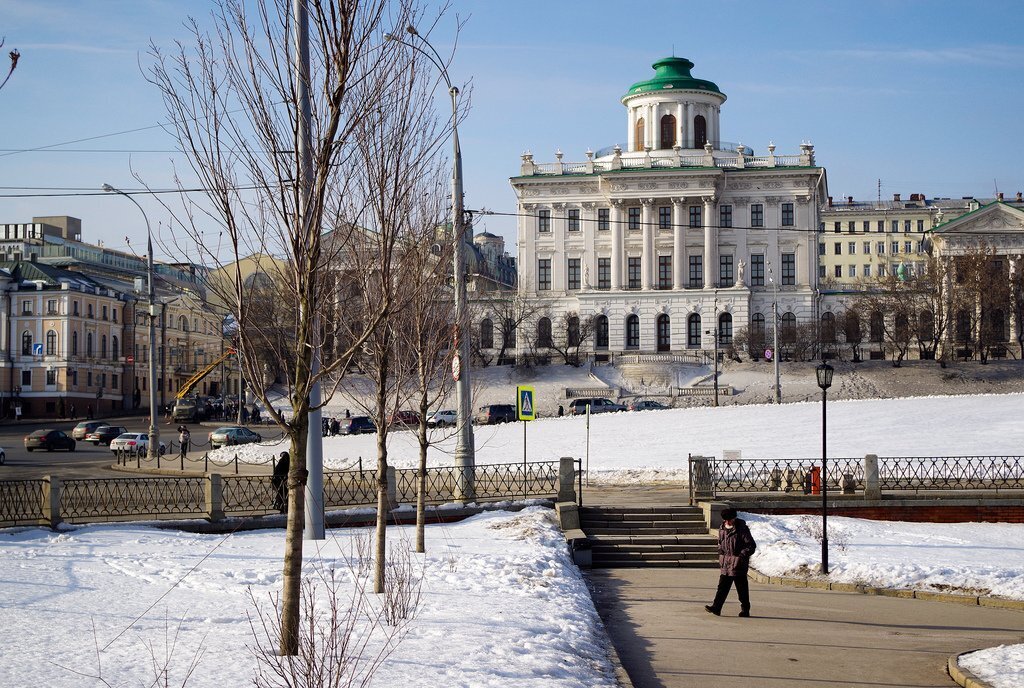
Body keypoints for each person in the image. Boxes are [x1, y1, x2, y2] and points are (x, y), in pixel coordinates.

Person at [705, 508, 757, 617]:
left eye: (730, 519)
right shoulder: (722, 528)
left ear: (734, 518)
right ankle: (716, 608)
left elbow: (751, 545)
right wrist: (720, 551)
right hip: (726, 564)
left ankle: (745, 609)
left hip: (739, 564)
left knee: (742, 589)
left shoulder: (742, 529)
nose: (728, 522)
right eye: (726, 520)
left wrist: (741, 555)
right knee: (722, 588)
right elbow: (720, 542)